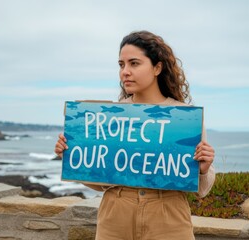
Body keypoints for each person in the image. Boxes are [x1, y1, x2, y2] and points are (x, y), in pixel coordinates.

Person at [55, 30, 215, 240]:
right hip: (115, 214)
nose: (125, 72)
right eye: (121, 65)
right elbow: (102, 180)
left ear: (157, 67)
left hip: (168, 217)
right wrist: (73, 156)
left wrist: (203, 169)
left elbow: (201, 189)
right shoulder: (111, 117)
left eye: (134, 63)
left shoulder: (184, 118)